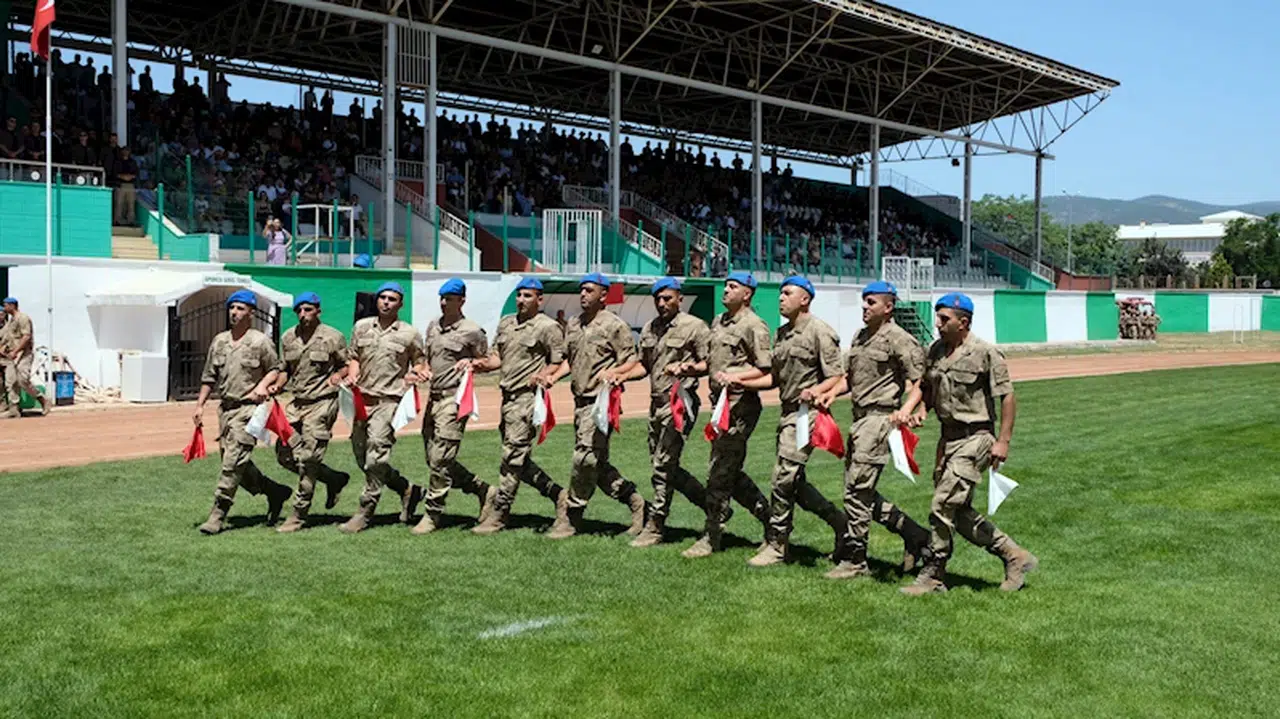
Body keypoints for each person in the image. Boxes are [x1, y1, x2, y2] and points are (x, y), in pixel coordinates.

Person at [901, 292, 1039, 595]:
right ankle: (1014, 555)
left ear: (963, 322)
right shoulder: (935, 350)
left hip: (976, 438)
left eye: (944, 319)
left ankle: (934, 573)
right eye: (938, 317)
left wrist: (1003, 441)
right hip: (947, 439)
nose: (937, 323)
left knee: (941, 505)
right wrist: (923, 408)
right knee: (958, 512)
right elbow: (928, 387)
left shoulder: (985, 353)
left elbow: (1007, 396)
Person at [816, 281, 931, 580]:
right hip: (859, 419)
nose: (865, 307)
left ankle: (855, 560)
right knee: (858, 491)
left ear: (888, 307)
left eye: (871, 302)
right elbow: (850, 378)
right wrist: (832, 393)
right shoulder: (860, 336)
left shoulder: (899, 339)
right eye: (864, 302)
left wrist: (907, 410)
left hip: (880, 419)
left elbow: (920, 381)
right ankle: (916, 535)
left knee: (857, 491)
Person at [736, 276, 846, 567]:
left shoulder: (821, 332)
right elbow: (774, 377)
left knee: (782, 478)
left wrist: (817, 391)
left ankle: (777, 543)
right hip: (787, 414)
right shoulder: (782, 333)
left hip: (807, 415)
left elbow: (836, 376)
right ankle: (840, 524)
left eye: (787, 293)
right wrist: (740, 383)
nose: (780, 298)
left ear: (805, 299)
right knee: (794, 483)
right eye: (780, 293)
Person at [542, 272, 648, 539]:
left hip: (600, 403)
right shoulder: (575, 324)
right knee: (596, 464)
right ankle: (636, 502)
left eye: (589, 290)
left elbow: (631, 361)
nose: (583, 294)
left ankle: (571, 514)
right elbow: (569, 359)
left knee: (584, 457)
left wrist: (614, 372)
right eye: (582, 290)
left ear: (603, 295)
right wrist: (553, 376)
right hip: (580, 403)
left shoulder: (615, 326)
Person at [613, 277, 712, 548]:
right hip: (656, 403)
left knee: (663, 465)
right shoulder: (650, 328)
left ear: (679, 298)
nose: (661, 303)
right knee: (665, 466)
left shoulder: (694, 327)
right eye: (658, 298)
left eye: (667, 298)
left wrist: (688, 368)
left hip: (680, 403)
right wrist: (621, 376)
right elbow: (644, 365)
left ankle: (656, 525)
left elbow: (709, 363)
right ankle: (712, 506)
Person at [682, 272, 772, 558]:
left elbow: (766, 370)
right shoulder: (719, 321)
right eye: (726, 285)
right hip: (720, 407)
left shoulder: (754, 326)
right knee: (728, 472)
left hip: (739, 407)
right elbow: (712, 362)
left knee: (719, 472)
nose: (726, 290)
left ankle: (712, 536)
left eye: (733, 287)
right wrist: (691, 368)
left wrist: (738, 377)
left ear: (747, 294)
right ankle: (771, 522)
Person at [469, 277, 566, 535]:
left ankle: (500, 513)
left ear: (539, 299)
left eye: (527, 296)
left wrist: (546, 374)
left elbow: (559, 361)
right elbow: (497, 358)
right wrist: (479, 365)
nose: (521, 300)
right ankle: (558, 495)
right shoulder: (507, 323)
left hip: (527, 399)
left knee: (511, 457)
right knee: (518, 459)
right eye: (519, 295)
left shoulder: (548, 327)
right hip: (507, 398)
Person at [192, 290, 293, 534]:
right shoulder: (220, 341)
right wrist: (200, 404)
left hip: (248, 410)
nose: (234, 313)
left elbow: (277, 368)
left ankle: (218, 514)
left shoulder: (260, 342)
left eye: (240, 308)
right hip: (225, 409)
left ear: (251, 313)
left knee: (232, 462)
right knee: (238, 462)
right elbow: (209, 376)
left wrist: (263, 386)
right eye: (232, 308)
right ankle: (275, 492)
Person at [411, 279, 497, 535]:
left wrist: (472, 362)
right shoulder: (433, 328)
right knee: (433, 458)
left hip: (455, 400)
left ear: (461, 300)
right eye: (441, 297)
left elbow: (490, 360)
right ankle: (482, 489)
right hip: (434, 398)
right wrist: (422, 371)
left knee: (441, 458)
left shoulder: (472, 331)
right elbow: (428, 360)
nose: (443, 302)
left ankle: (432, 513)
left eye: (449, 298)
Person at [339, 282, 427, 533]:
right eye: (382, 298)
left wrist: (415, 375)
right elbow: (354, 356)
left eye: (392, 299)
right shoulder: (361, 327)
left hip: (389, 401)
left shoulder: (409, 333)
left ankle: (364, 511)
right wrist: (352, 375)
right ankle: (407, 489)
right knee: (362, 457)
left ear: (400, 304)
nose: (386, 302)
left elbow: (420, 363)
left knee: (376, 456)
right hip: (361, 401)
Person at [269, 292, 351, 533]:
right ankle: (333, 479)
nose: (303, 315)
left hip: (322, 402)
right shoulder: (288, 338)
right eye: (299, 311)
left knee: (308, 459)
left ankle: (298, 514)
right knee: (284, 454)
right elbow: (285, 369)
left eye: (308, 310)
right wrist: (278, 384)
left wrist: (339, 375)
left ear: (318, 311)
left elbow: (346, 364)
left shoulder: (333, 337)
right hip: (296, 404)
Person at [0, 297, 51, 418]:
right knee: (11, 382)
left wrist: (16, 351)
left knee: (23, 380)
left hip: (23, 354)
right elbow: (7, 338)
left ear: (12, 305)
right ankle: (14, 409)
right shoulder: (11, 322)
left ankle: (42, 399)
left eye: (6, 305)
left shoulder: (23, 318)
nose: (5, 308)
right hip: (12, 355)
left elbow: (26, 336)